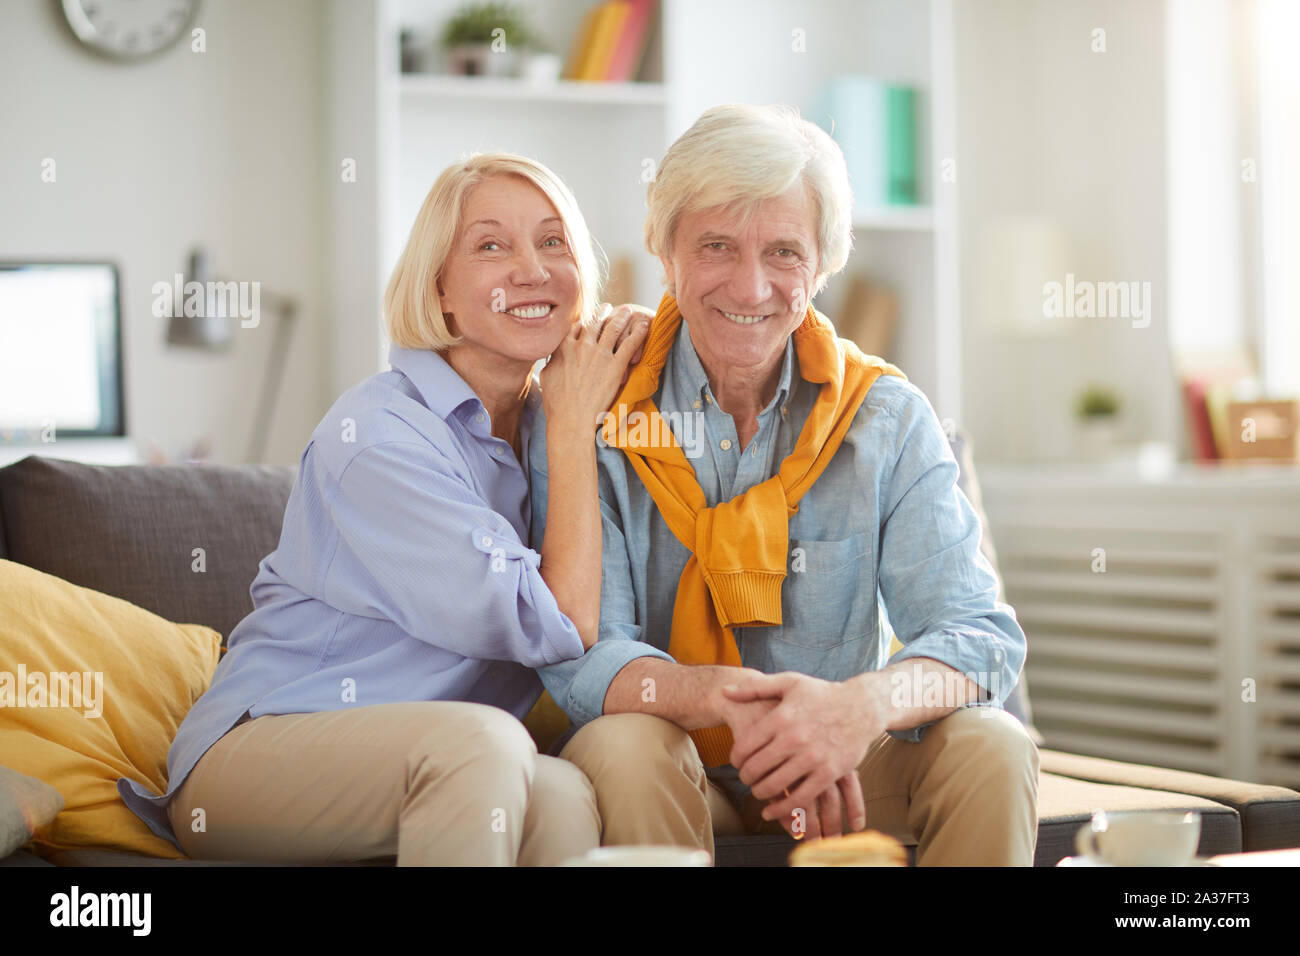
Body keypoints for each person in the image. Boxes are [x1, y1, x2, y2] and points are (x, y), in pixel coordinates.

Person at [528, 105, 1040, 865]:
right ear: (665, 251)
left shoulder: (887, 419)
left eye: (784, 252)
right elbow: (584, 656)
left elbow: (980, 636)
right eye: (716, 246)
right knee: (627, 744)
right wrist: (726, 701)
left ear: (823, 264)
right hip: (679, 765)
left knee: (993, 743)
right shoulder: (595, 405)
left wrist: (854, 710)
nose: (751, 284)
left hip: (843, 770)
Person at [117, 153, 650, 866]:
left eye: (554, 242)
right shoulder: (376, 436)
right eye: (491, 245)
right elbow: (559, 621)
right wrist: (572, 426)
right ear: (441, 290)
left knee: (561, 793)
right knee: (485, 743)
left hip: (438, 753)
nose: (532, 269)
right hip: (259, 754)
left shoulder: (542, 425)